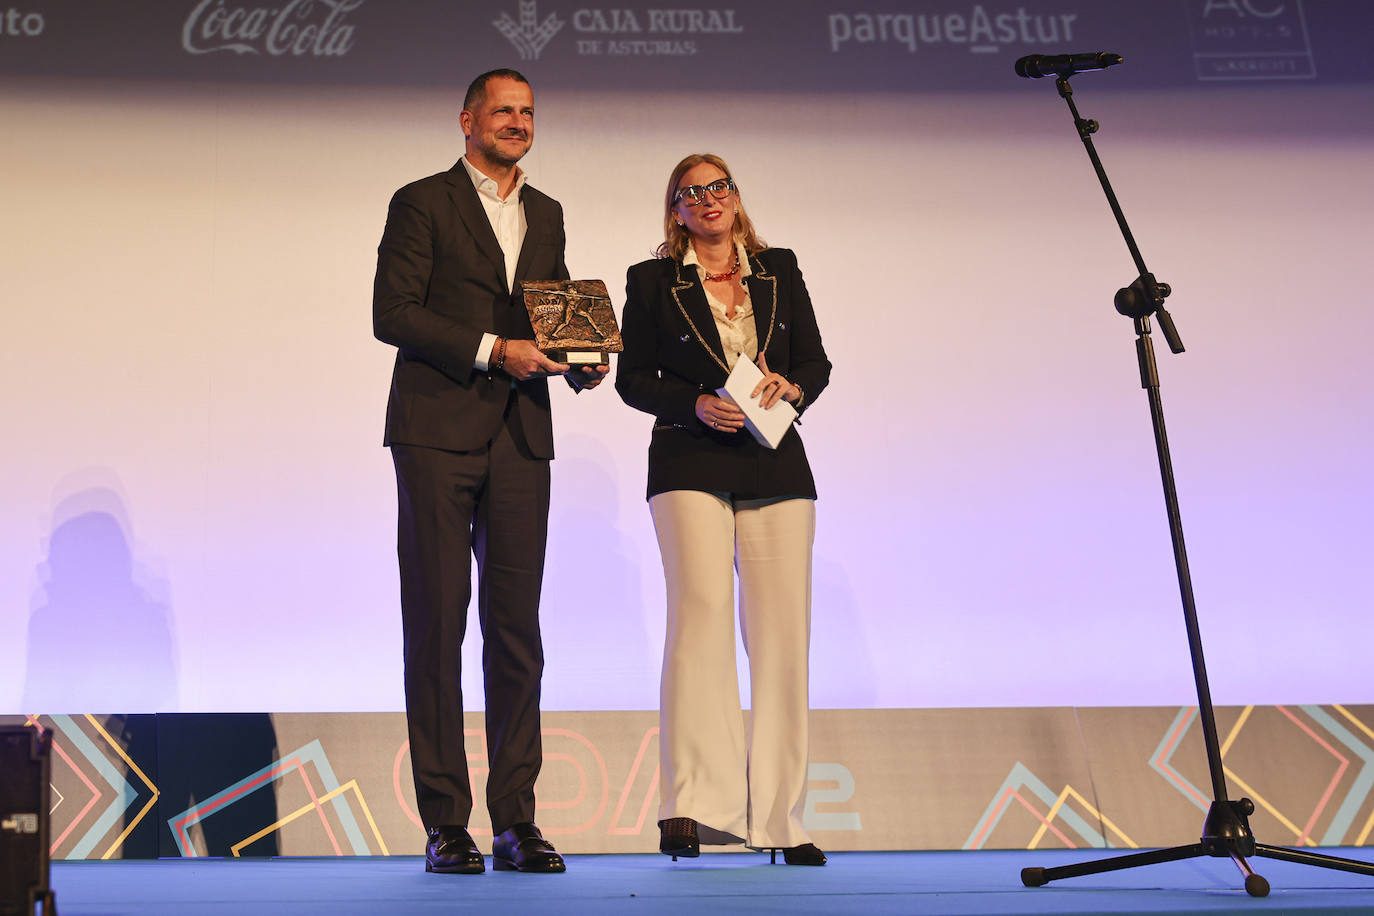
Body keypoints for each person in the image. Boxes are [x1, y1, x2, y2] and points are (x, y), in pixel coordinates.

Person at [372, 68, 607, 875]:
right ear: (467, 119)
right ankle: (446, 823)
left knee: (516, 635)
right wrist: (490, 351)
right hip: (436, 431)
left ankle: (516, 821)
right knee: (437, 626)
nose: (517, 121)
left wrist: (579, 360)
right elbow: (392, 314)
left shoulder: (547, 212)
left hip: (521, 437)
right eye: (503, 110)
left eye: (528, 111)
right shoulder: (421, 201)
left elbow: (548, 313)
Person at [615, 153, 832, 866]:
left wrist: (789, 387)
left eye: (719, 188)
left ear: (737, 198)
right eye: (691, 193)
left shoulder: (780, 269)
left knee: (782, 637)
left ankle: (781, 820)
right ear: (675, 210)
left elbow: (817, 364)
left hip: (774, 456)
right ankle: (691, 807)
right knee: (700, 616)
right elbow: (633, 379)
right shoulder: (652, 281)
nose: (708, 201)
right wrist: (695, 403)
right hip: (688, 456)